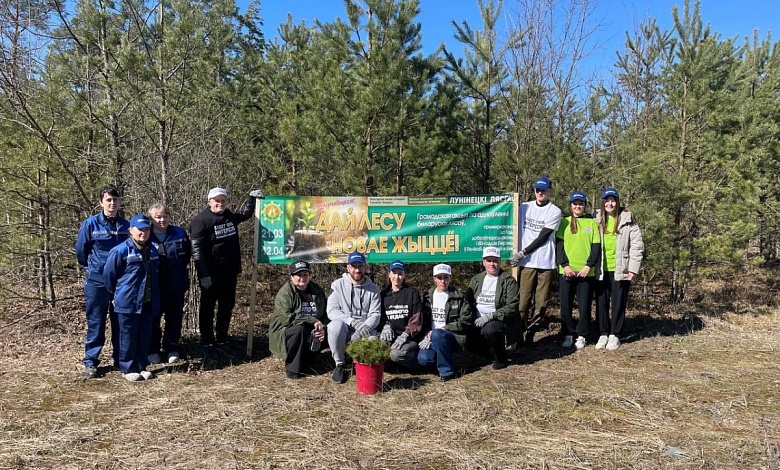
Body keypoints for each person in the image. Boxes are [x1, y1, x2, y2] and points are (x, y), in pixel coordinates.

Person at [190, 187, 263, 363]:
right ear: (209, 201)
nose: (220, 203)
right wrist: (203, 275)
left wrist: (251, 198)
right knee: (207, 309)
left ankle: (222, 338)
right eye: (216, 200)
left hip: (229, 273)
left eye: (223, 200)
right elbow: (197, 251)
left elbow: (245, 215)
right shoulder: (201, 221)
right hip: (210, 274)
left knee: (226, 306)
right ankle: (207, 342)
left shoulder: (229, 216)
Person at [75, 185, 130, 378]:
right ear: (101, 203)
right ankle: (91, 361)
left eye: (115, 200)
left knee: (120, 322)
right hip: (97, 282)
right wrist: (92, 269)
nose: (112, 203)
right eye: (108, 200)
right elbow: (81, 252)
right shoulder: (91, 224)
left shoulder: (126, 225)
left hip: (120, 282)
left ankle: (120, 359)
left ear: (119, 202)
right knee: (96, 322)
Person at [103, 215, 160, 382]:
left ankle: (142, 366)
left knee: (144, 335)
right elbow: (109, 276)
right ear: (131, 230)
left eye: (147, 229)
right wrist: (117, 294)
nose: (144, 233)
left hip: (147, 301)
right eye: (140, 229)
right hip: (127, 301)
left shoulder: (152, 249)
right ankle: (127, 368)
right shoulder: (120, 250)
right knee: (127, 335)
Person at [510, 176, 562, 346]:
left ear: (549, 191)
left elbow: (543, 236)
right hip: (527, 264)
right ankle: (518, 335)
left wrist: (522, 252)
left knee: (540, 304)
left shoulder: (555, 211)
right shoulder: (524, 207)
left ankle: (531, 332)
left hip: (545, 263)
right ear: (534, 191)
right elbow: (508, 221)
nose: (540, 193)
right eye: (538, 190)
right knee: (522, 302)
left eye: (544, 190)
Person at [594, 188, 644, 351]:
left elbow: (637, 246)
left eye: (613, 200)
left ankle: (615, 334)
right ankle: (603, 333)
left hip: (620, 268)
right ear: (603, 203)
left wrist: (633, 269)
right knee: (601, 302)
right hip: (601, 268)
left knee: (618, 302)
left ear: (618, 202)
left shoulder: (628, 220)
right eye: (607, 200)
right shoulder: (596, 219)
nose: (610, 203)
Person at [326, 252, 381, 384]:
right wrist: (353, 322)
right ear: (348, 267)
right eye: (354, 266)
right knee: (334, 326)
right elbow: (332, 311)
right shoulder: (337, 285)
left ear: (365, 267)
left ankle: (361, 366)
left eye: (360, 266)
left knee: (373, 342)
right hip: (346, 326)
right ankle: (339, 364)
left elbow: (376, 314)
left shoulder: (373, 289)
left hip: (365, 330)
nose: (357, 270)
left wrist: (363, 328)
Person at [556, 191, 601, 350]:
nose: (577, 206)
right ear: (570, 205)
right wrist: (565, 265)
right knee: (566, 305)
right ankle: (568, 334)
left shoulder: (592, 223)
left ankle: (582, 335)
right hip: (566, 271)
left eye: (580, 204)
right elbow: (559, 246)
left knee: (584, 305)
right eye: (575, 204)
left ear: (584, 205)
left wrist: (589, 265)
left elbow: (596, 247)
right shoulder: (564, 222)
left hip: (586, 272)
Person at [269, 260, 328, 379]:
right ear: (291, 276)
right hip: (285, 331)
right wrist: (313, 321)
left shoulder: (317, 290)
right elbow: (287, 319)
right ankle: (293, 368)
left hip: (313, 329)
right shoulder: (285, 293)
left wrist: (324, 327)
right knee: (299, 330)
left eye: (305, 274)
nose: (302, 278)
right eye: (298, 275)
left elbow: (326, 312)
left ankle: (309, 359)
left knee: (334, 328)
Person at [147, 203, 191, 364]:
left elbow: (187, 255)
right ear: (151, 219)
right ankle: (152, 349)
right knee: (153, 318)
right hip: (154, 286)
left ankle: (171, 348)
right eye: (158, 217)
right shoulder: (146, 235)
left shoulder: (179, 233)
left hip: (176, 284)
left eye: (165, 216)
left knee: (174, 318)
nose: (162, 220)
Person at [465, 246, 518, 370]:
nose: (492, 264)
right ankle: (486, 352)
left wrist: (490, 316)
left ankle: (501, 358)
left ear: (499, 261)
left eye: (495, 260)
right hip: (477, 318)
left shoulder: (508, 280)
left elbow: (512, 305)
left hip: (497, 319)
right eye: (489, 260)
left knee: (491, 330)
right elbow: (467, 300)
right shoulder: (476, 279)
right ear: (483, 262)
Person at [417, 264, 471, 381]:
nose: (443, 281)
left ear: (450, 278)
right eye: (439, 277)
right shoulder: (427, 296)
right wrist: (426, 334)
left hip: (453, 336)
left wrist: (443, 329)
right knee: (423, 359)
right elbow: (424, 319)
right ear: (434, 279)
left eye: (446, 277)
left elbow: (465, 320)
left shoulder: (459, 296)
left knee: (438, 334)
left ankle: (447, 372)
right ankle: (443, 359)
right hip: (432, 336)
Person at [378, 260, 426, 369]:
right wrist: (385, 326)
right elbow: (380, 317)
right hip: (391, 337)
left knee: (394, 354)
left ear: (404, 275)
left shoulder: (412, 292)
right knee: (378, 350)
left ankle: (417, 363)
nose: (397, 277)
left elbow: (416, 319)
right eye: (394, 273)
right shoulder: (383, 295)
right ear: (389, 274)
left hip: (409, 338)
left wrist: (405, 334)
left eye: (400, 273)